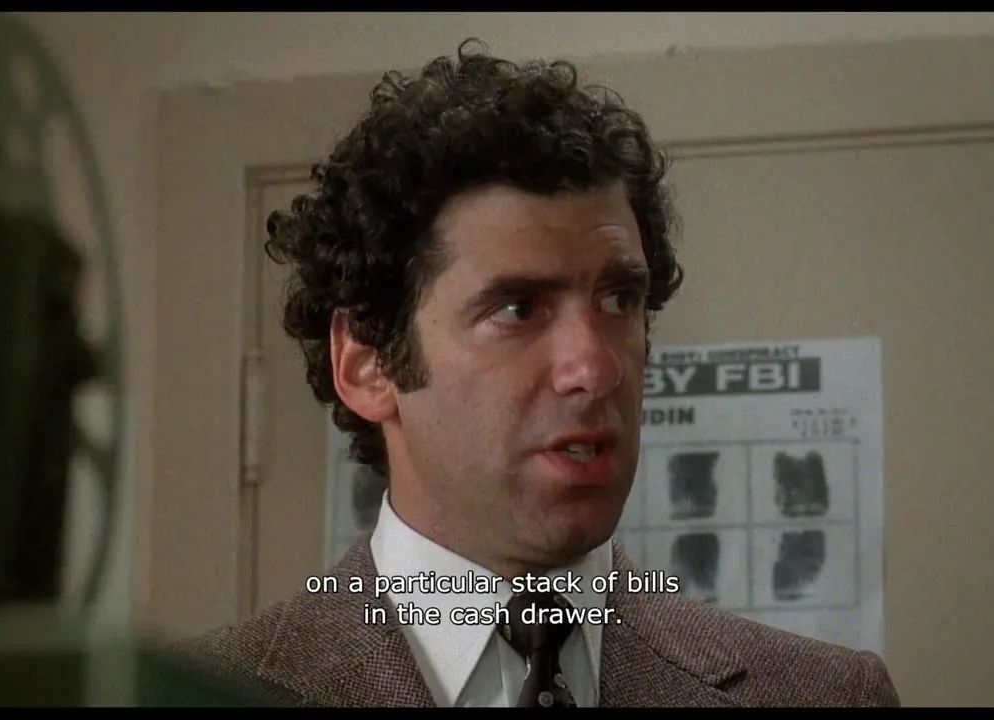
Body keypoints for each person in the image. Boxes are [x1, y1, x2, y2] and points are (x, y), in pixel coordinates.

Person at [182, 39, 901, 708]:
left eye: (619, 300)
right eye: (518, 309)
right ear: (367, 363)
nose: (596, 368)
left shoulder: (828, 696)